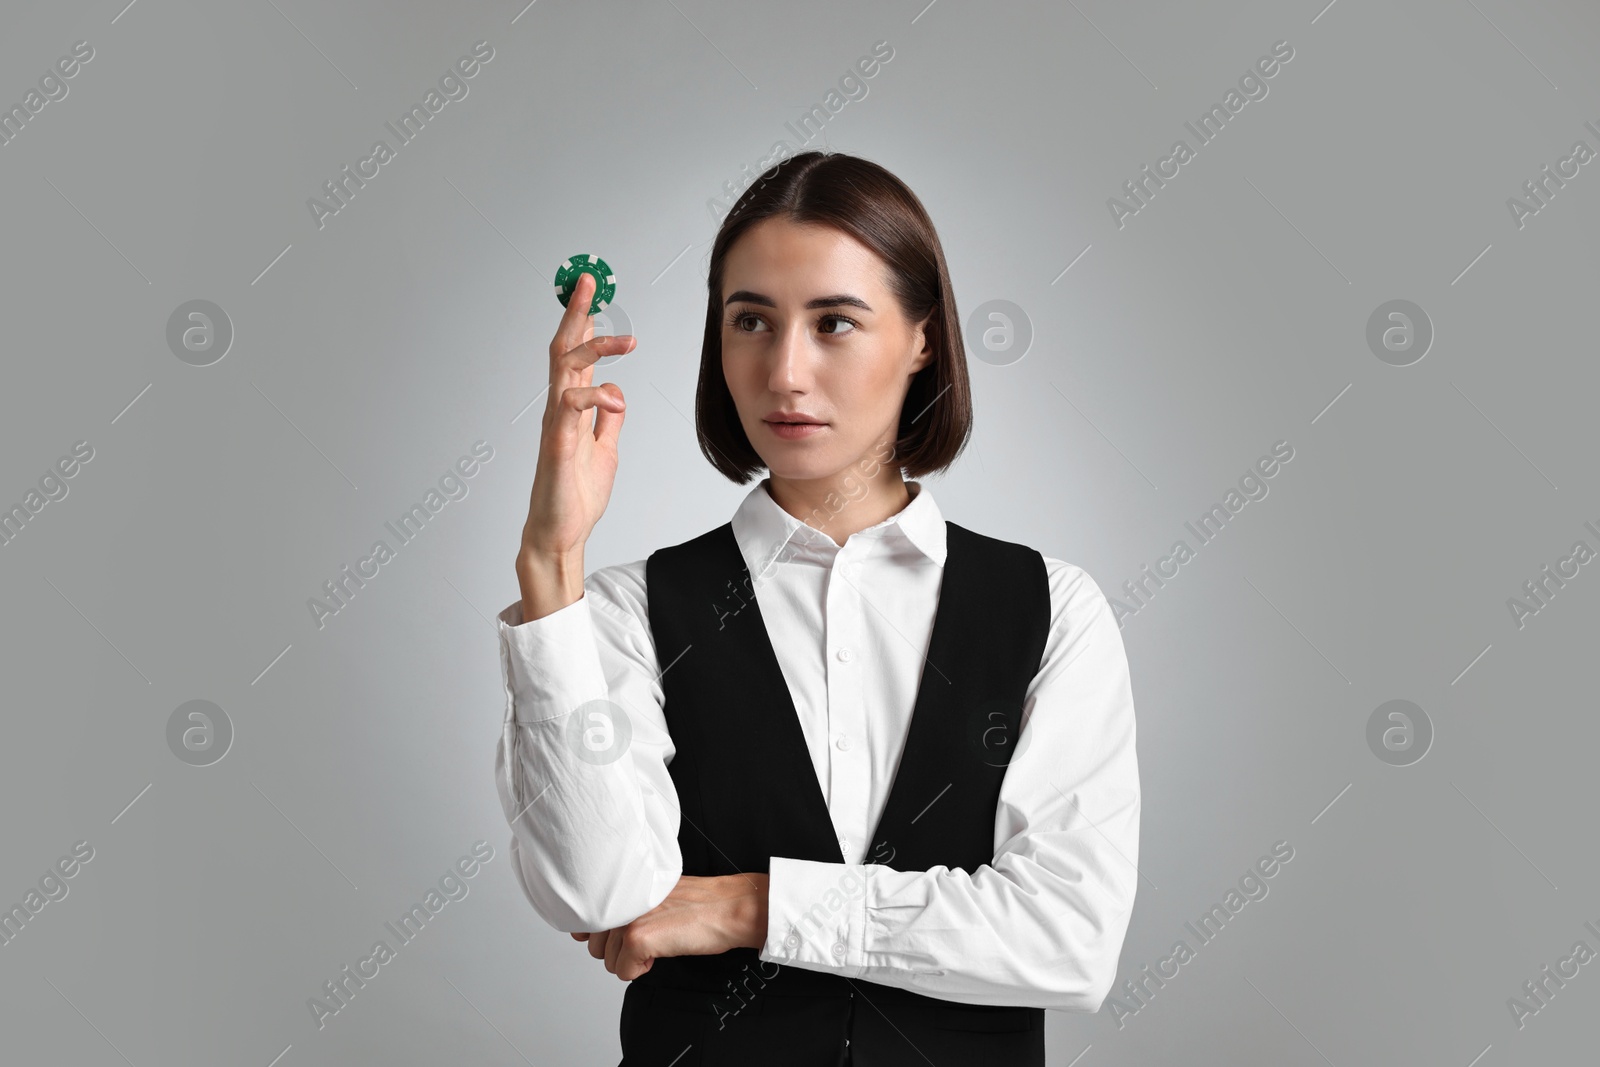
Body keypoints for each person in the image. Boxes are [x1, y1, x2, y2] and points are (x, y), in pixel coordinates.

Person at [494, 150, 1140, 1066]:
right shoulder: (631, 610)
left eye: (835, 321)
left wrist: (746, 904)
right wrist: (550, 563)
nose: (785, 372)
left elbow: (1070, 941)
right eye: (750, 321)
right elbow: (595, 893)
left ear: (922, 338)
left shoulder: (1051, 610)